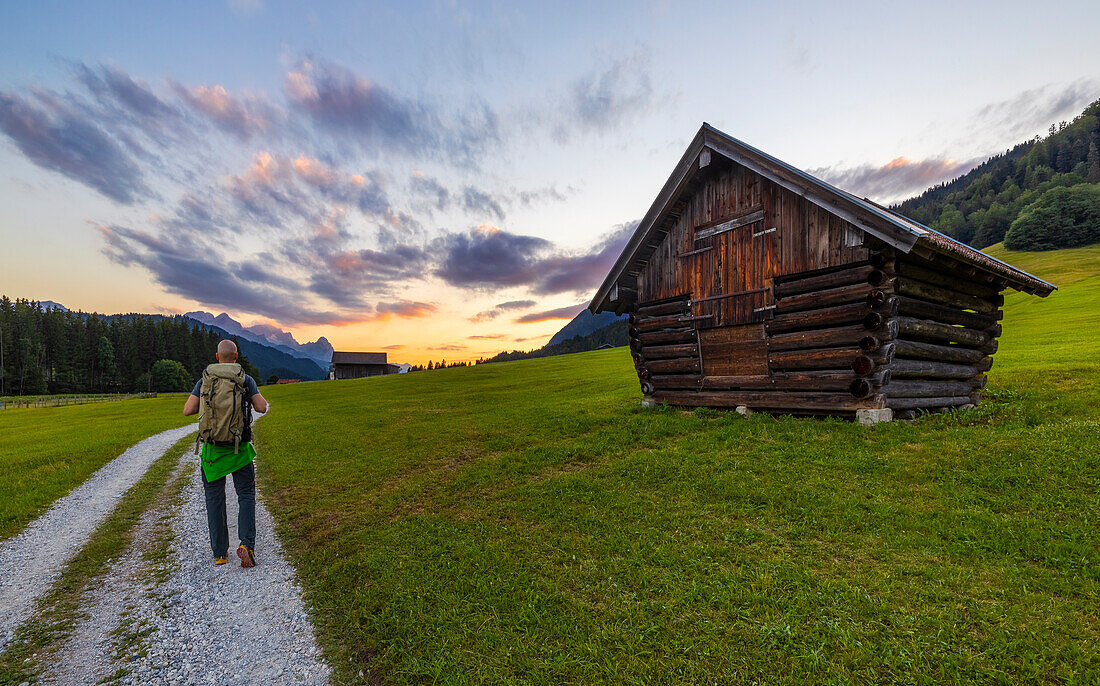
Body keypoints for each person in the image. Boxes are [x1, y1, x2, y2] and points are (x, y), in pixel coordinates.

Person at [183, 339, 269, 568]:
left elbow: (187, 410)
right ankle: (247, 545)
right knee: (246, 495)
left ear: (217, 356)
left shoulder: (205, 380)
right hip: (238, 448)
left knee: (215, 499)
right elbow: (261, 408)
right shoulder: (244, 379)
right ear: (236, 355)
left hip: (212, 452)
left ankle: (220, 553)